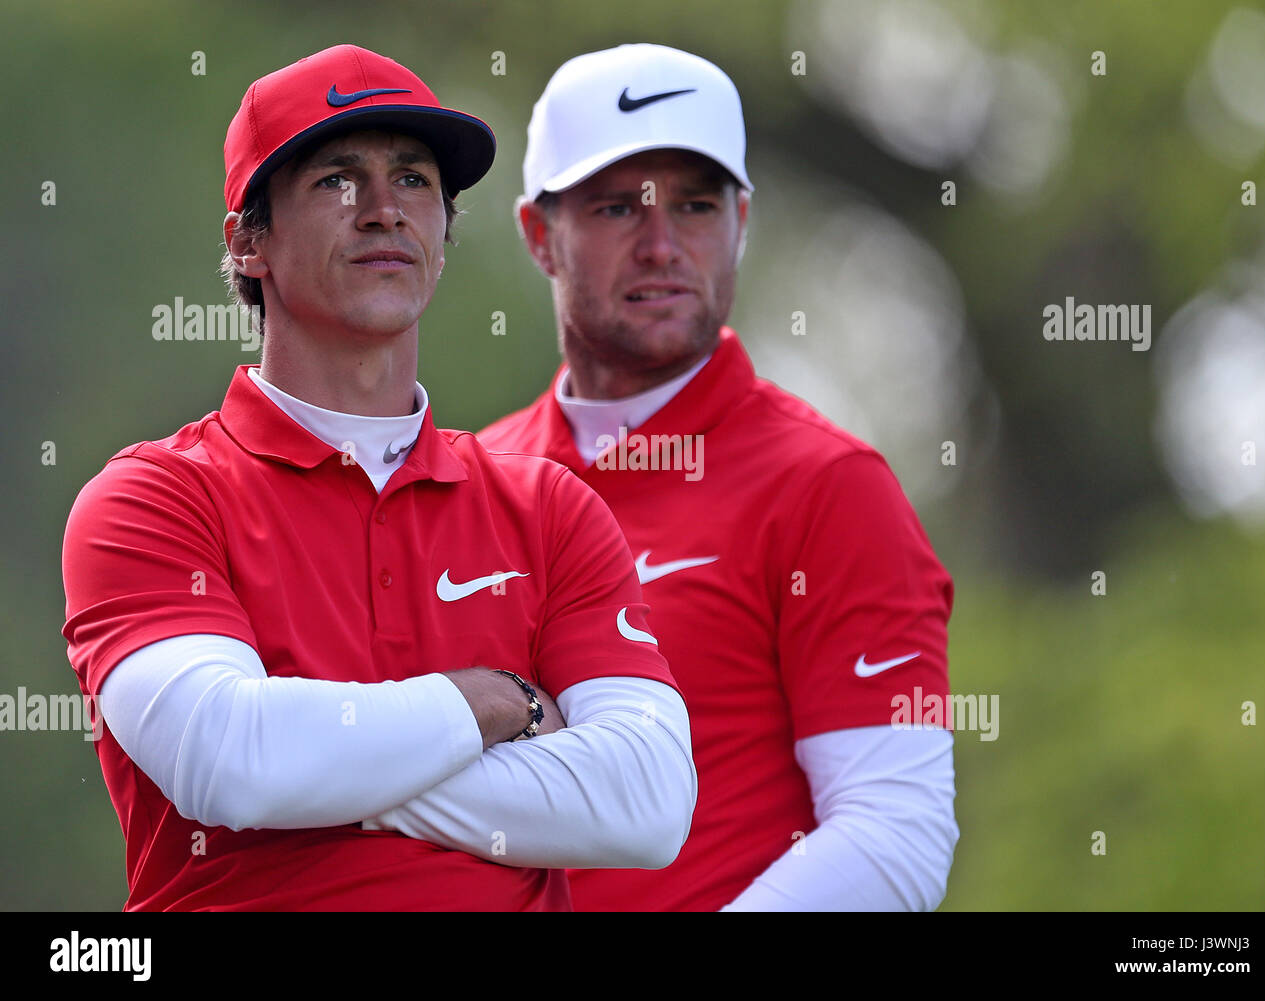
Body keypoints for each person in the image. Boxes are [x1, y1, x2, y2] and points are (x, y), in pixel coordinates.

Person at [60, 44, 696, 912]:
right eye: (336, 180)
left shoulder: (550, 508)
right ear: (249, 242)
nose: (383, 211)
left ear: (442, 232)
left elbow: (647, 803)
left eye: (414, 180)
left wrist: (324, 775)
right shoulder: (150, 500)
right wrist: (491, 701)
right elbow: (229, 765)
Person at [474, 43, 959, 911]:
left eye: (695, 205)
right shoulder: (466, 481)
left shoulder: (832, 486)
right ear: (539, 235)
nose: (662, 245)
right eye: (619, 207)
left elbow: (897, 834)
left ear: (742, 219)